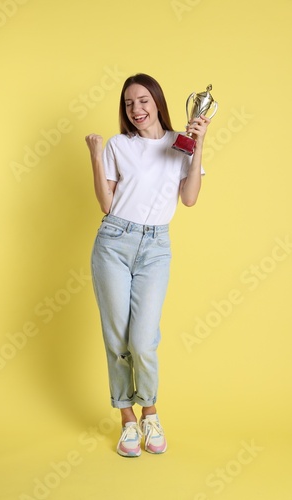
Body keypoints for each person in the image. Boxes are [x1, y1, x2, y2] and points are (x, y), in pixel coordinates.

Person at [85, 73, 210, 458]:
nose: (136, 109)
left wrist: (200, 143)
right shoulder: (120, 145)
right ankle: (127, 420)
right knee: (116, 338)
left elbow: (189, 199)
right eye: (128, 104)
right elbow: (106, 205)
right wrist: (94, 153)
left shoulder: (180, 143)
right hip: (113, 243)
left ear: (157, 101)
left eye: (142, 101)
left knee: (142, 340)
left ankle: (150, 414)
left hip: (156, 246)